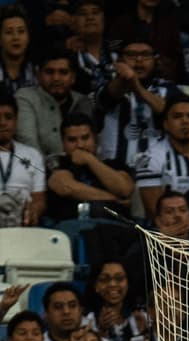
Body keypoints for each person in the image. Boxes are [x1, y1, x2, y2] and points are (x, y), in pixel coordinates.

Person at [93, 37, 175, 164]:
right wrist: (125, 78)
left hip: (159, 173)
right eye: (131, 55)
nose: (139, 60)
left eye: (146, 54)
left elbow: (167, 110)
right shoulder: (108, 86)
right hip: (115, 173)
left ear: (156, 60)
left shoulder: (169, 89)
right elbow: (107, 97)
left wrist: (135, 84)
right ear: (119, 60)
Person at [134, 96, 189, 218]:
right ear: (166, 124)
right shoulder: (150, 157)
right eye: (177, 116)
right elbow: (154, 211)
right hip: (167, 227)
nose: (185, 121)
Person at [43, 113, 133, 222]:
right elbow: (66, 187)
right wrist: (114, 199)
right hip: (67, 230)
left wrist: (90, 160)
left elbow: (125, 189)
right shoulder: (57, 163)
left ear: (95, 139)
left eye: (85, 138)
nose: (80, 145)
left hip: (111, 229)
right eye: (72, 140)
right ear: (63, 143)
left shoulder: (113, 164)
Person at [15, 44, 93, 159]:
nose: (56, 78)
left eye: (63, 72)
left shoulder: (83, 102)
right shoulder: (25, 98)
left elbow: (91, 149)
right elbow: (30, 148)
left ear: (73, 77)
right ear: (38, 75)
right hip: (38, 172)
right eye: (49, 72)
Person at [0, 93, 46, 226]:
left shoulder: (33, 155)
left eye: (8, 117)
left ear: (16, 120)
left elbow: (39, 199)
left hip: (22, 225)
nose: (2, 123)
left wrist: (33, 211)